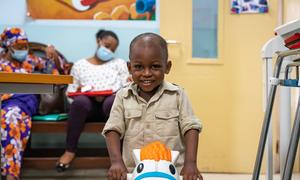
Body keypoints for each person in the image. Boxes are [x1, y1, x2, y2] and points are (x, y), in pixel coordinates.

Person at [102, 32, 203, 180]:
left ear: (167, 67)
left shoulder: (178, 95)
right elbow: (112, 129)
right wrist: (116, 162)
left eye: (155, 66)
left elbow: (191, 127)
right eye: (139, 67)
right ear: (129, 68)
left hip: (171, 173)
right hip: (135, 172)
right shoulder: (123, 96)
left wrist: (191, 163)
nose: (147, 73)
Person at [56, 29, 130, 172]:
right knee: (80, 102)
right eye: (107, 46)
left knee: (113, 102)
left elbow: (126, 89)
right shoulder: (79, 65)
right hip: (86, 109)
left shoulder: (119, 64)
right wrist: (82, 92)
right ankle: (69, 151)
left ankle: (119, 156)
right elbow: (70, 92)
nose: (109, 51)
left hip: (110, 107)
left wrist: (128, 83)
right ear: (99, 41)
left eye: (113, 49)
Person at [0, 27, 61, 180]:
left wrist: (50, 57)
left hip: (25, 100)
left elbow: (52, 74)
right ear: (9, 46)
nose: (24, 50)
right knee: (12, 121)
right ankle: (10, 172)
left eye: (25, 46)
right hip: (4, 102)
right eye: (19, 47)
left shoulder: (31, 60)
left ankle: (10, 175)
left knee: (11, 117)